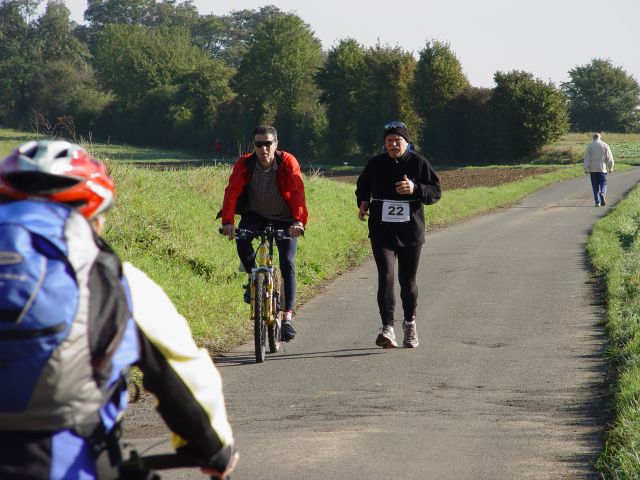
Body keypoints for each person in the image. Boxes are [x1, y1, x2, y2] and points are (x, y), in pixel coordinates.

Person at [0, 140, 238, 479]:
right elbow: (182, 372)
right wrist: (213, 448)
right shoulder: (116, 279)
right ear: (94, 218)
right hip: (68, 460)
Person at [356, 121, 441, 348]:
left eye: (398, 140)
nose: (393, 144)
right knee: (385, 277)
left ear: (407, 142)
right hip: (381, 230)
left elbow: (436, 191)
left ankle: (410, 324)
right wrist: (363, 202)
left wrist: (415, 188)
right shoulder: (375, 163)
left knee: (407, 281)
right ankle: (388, 328)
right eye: (389, 141)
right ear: (384, 143)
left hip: (410, 231)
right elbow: (363, 185)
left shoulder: (418, 163)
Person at [219, 125, 307, 342]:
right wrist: (228, 221)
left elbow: (297, 191)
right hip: (256, 214)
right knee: (242, 239)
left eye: (267, 143)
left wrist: (298, 221)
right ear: (254, 146)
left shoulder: (287, 162)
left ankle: (287, 317)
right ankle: (253, 279)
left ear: (276, 144)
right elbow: (232, 191)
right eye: (259, 144)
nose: (263, 148)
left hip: (285, 217)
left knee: (287, 261)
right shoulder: (245, 163)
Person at [584, 132, 614, 207]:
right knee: (603, 183)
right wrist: (610, 167)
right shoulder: (605, 145)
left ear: (593, 138)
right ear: (600, 137)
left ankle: (597, 202)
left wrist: (586, 168)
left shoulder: (590, 146)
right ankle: (603, 193)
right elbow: (609, 157)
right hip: (602, 168)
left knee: (595, 186)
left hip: (593, 169)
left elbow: (587, 158)